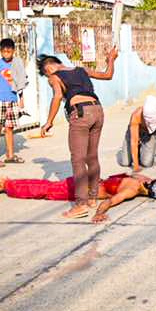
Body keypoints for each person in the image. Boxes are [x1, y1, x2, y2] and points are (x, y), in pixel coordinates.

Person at [39, 48, 118, 219]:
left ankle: (81, 204)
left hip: (80, 113)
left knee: (78, 159)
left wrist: (49, 121)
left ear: (49, 69)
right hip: (97, 110)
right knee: (92, 157)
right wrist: (111, 58)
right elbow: (108, 75)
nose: (48, 79)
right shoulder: (81, 69)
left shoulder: (54, 76)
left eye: (46, 75)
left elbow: (58, 97)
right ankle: (92, 197)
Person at [0, 172, 156, 224]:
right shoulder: (131, 191)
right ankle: (7, 185)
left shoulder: (141, 179)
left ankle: (10, 183)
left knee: (48, 187)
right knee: (45, 190)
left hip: (88, 181)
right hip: (83, 189)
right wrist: (100, 214)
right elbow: (108, 202)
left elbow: (154, 179)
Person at [0, 38, 24, 167]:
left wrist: (21, 99)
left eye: (9, 51)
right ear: (0, 51)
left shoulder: (17, 63)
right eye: (4, 52)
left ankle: (10, 155)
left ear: (13, 51)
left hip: (13, 100)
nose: (6, 54)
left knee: (9, 128)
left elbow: (20, 82)